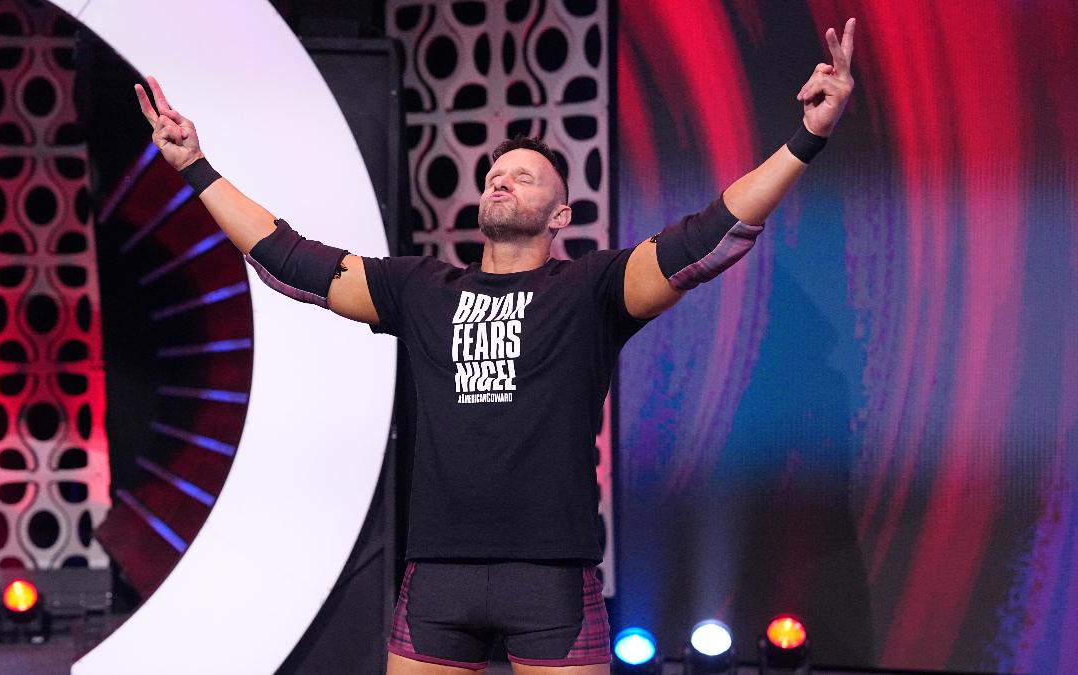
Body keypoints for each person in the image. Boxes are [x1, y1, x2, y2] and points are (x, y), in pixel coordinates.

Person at [133, 17, 856, 675]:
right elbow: (291, 262)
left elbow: (710, 237)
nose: (500, 179)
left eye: (523, 175)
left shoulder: (592, 288)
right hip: (436, 576)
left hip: (549, 575)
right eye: (494, 173)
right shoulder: (420, 286)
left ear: (561, 212)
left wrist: (806, 139)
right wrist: (196, 165)